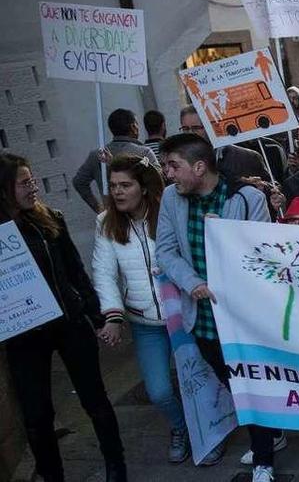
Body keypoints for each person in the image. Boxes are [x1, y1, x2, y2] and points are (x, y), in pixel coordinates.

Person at [155, 133, 280, 482]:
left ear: (199, 166)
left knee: (249, 383)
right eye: (166, 166)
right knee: (229, 379)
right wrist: (192, 282)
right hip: (202, 317)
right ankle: (269, 431)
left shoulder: (247, 197)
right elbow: (165, 250)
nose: (168, 174)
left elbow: (262, 252)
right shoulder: (171, 198)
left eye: (173, 165)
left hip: (242, 315)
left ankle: (264, 462)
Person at [0, 153, 127, 482]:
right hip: (23, 336)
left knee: (94, 399)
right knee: (37, 415)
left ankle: (116, 465)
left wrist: (97, 317)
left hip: (68, 324)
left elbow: (75, 271)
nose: (34, 188)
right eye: (24, 183)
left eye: (32, 180)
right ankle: (52, 475)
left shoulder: (50, 219)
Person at [91, 155, 188, 464]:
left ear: (143, 187)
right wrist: (113, 315)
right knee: (159, 391)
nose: (117, 192)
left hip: (184, 316)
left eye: (125, 185)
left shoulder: (170, 211)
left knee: (200, 382)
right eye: (113, 186)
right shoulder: (105, 222)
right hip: (144, 321)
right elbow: (103, 272)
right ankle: (180, 428)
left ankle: (210, 429)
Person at [74, 108, 158, 213]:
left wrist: (98, 208)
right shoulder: (144, 153)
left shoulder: (97, 156)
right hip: (143, 212)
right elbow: (159, 179)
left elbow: (78, 182)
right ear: (133, 127)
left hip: (113, 214)